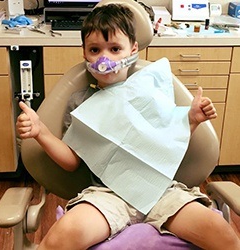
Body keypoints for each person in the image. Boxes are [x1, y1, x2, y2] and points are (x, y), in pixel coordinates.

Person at [16, 4, 240, 250]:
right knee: (63, 235)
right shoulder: (81, 104)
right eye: (95, 50)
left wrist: (192, 119)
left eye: (115, 49)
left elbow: (168, 142)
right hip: (107, 194)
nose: (105, 59)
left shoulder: (152, 91)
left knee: (221, 233)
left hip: (160, 190)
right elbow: (72, 162)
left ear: (133, 49)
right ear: (84, 53)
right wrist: (40, 132)